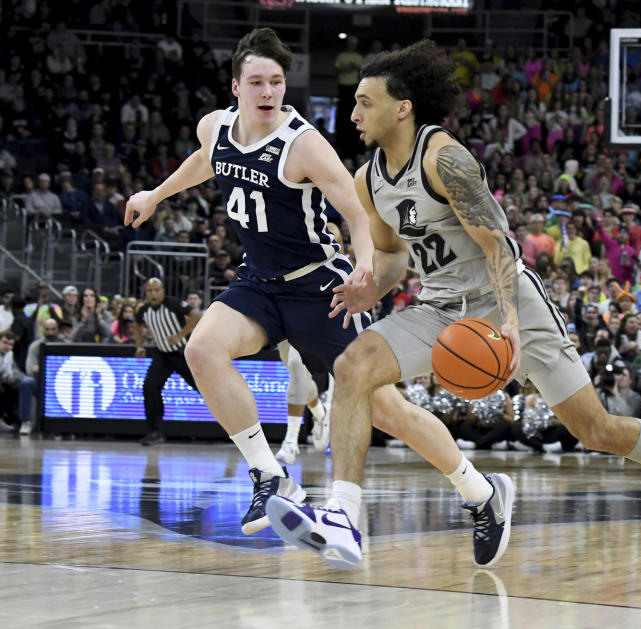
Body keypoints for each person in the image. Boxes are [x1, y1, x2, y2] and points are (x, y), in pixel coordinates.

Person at [266, 40, 641, 570]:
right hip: (442, 308)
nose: (354, 113)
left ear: (402, 107)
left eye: (365, 102)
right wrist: (369, 287)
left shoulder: (445, 159)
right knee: (352, 367)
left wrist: (511, 321)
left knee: (595, 430)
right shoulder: (368, 179)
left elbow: (498, 243)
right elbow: (391, 256)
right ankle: (344, 517)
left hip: (509, 302)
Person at [124, 29, 498, 547]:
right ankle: (269, 474)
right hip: (259, 282)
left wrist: (364, 265)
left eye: (276, 82)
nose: (268, 91)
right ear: (236, 87)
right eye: (256, 81)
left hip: (320, 286)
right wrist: (157, 194)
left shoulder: (303, 144)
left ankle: (478, 490)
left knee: (384, 409)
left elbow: (357, 212)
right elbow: (207, 158)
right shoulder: (217, 126)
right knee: (203, 349)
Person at [133, 278, 202, 446]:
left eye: (156, 290)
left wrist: (179, 335)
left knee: (205, 389)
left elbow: (196, 316)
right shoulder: (144, 310)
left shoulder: (174, 304)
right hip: (163, 355)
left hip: (184, 354)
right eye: (150, 291)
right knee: (149, 387)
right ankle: (154, 431)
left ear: (163, 291)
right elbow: (137, 325)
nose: (153, 294)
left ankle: (235, 427)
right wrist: (139, 346)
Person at [274, 339, 328, 464]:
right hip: (285, 325)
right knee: (300, 379)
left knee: (297, 365)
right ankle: (321, 414)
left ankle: (290, 442)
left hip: (312, 323)